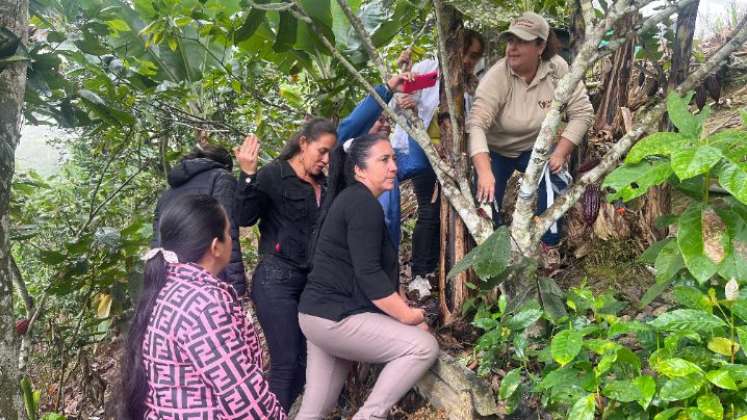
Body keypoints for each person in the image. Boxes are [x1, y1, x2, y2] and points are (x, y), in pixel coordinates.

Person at [296, 134, 439, 419]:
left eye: (394, 159)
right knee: (423, 347)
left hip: (315, 317)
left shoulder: (353, 200)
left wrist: (404, 314)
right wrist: (409, 317)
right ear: (359, 169)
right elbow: (369, 275)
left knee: (316, 409)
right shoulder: (363, 205)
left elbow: (377, 275)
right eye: (383, 160)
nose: (394, 167)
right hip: (335, 318)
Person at [121, 194, 285, 419]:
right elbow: (247, 401)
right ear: (216, 247)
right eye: (229, 232)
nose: (231, 238)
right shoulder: (204, 305)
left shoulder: (167, 286)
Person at [468, 12, 594, 262]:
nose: (512, 48)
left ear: (541, 46)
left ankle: (549, 246)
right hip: (496, 149)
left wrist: (560, 153)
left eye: (521, 41)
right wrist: (483, 171)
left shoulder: (558, 69)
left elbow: (582, 113)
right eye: (510, 40)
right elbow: (476, 125)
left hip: (535, 148)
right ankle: (493, 256)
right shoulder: (496, 77)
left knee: (556, 179)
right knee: (484, 200)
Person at [234, 118, 337, 411]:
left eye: (330, 153)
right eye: (321, 151)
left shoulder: (325, 183)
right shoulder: (274, 174)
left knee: (307, 362)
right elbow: (244, 217)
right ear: (303, 143)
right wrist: (248, 175)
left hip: (312, 283)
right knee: (286, 360)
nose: (326, 159)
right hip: (275, 281)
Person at [390, 29, 485, 282]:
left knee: (454, 214)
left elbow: (474, 123)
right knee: (429, 212)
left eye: (474, 57)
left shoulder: (471, 86)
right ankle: (421, 273)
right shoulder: (428, 71)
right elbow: (395, 105)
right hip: (423, 151)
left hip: (454, 158)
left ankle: (447, 271)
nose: (468, 61)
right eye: (467, 53)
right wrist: (406, 99)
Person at [151, 144, 247, 295]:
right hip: (208, 272)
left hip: (172, 280)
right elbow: (227, 231)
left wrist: (155, 283)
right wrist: (236, 286)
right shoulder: (222, 178)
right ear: (226, 164)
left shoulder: (168, 193)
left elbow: (157, 243)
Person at [336, 72, 416, 246]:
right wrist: (387, 89)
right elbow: (349, 127)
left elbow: (418, 163)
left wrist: (413, 117)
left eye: (388, 121)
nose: (386, 125)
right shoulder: (348, 155)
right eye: (380, 120)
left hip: (386, 250)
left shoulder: (392, 160)